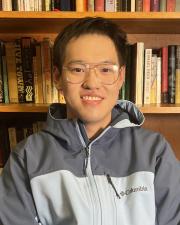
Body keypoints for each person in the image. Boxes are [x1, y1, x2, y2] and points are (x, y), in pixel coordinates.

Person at [0, 17, 179, 225]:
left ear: (121, 77)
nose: (92, 83)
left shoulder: (155, 152)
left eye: (105, 70)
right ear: (57, 77)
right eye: (78, 69)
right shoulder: (26, 158)